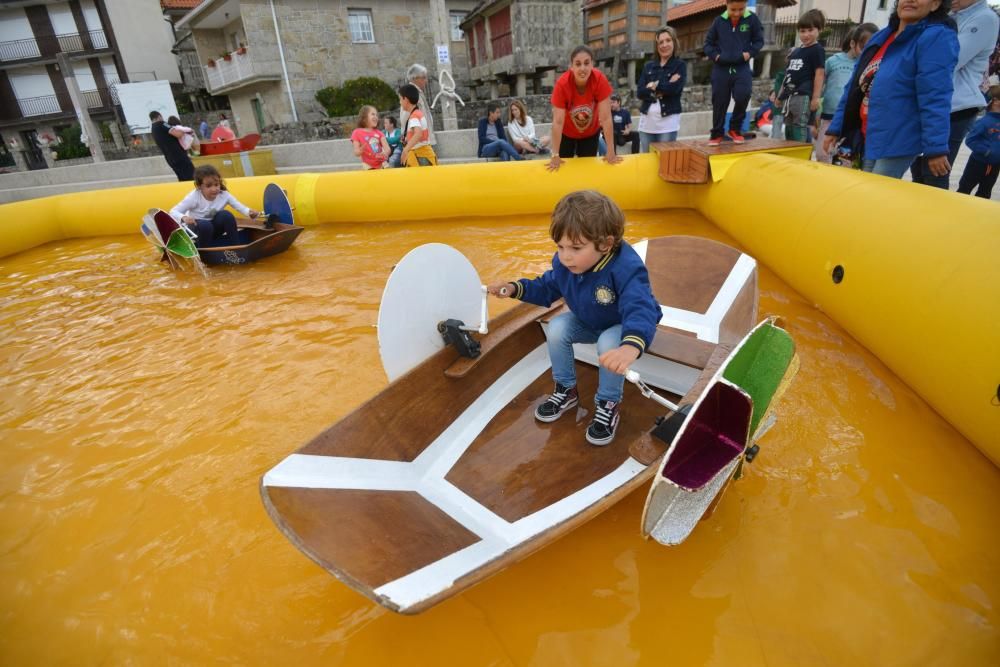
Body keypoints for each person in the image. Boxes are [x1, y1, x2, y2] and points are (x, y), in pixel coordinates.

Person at [487, 190, 660, 446]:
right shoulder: (566, 263)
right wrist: (514, 288)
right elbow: (547, 287)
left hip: (620, 325)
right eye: (560, 246)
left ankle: (608, 402)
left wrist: (630, 346)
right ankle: (566, 390)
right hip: (589, 320)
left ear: (606, 244)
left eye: (576, 248)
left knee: (607, 344)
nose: (565, 256)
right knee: (557, 327)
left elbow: (640, 306)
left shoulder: (626, 267)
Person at [823, 0, 959, 179]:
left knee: (875, 197)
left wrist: (936, 147)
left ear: (935, 5)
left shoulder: (935, 37)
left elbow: (935, 95)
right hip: (870, 132)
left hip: (899, 138)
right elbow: (853, 88)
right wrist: (836, 128)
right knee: (864, 191)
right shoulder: (882, 37)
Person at [910, 0, 1000, 189]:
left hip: (957, 106)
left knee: (935, 170)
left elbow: (949, 58)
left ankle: (935, 216)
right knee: (918, 166)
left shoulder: (985, 18)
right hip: (936, 102)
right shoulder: (953, 15)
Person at [548, 45, 621, 171]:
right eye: (578, 64)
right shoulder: (562, 84)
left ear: (592, 64)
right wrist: (555, 154)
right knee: (563, 169)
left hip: (590, 133)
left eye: (586, 63)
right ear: (571, 67)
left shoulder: (599, 80)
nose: (583, 68)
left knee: (587, 169)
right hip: (566, 133)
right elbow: (558, 122)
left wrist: (610, 150)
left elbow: (606, 118)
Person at [814, 24, 879, 162]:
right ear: (852, 43)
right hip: (829, 114)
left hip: (850, 119)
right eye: (863, 47)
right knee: (821, 153)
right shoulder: (833, 61)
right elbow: (820, 84)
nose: (866, 52)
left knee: (844, 157)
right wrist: (815, 111)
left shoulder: (870, 66)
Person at [704, 0, 764, 146]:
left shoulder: (752, 19)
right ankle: (717, 133)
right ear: (726, 5)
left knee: (743, 94)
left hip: (741, 67)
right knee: (719, 101)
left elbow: (759, 41)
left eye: (741, 9)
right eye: (733, 9)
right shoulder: (718, 21)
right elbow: (707, 44)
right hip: (721, 68)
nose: (737, 13)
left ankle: (735, 129)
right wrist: (716, 56)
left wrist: (748, 54)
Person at [169, 164, 259, 248]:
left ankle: (236, 247)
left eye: (216, 185)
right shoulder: (194, 197)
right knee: (206, 225)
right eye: (209, 186)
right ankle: (204, 252)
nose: (214, 189)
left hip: (212, 228)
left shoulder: (224, 195)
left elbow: (241, 208)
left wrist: (250, 213)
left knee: (226, 215)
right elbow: (173, 211)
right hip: (196, 231)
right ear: (199, 186)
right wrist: (184, 217)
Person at [777, 11, 826, 144]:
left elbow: (819, 74)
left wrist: (816, 98)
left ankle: (802, 158)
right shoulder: (796, 51)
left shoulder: (817, 50)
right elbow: (788, 75)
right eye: (803, 31)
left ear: (819, 29)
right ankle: (790, 153)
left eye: (810, 30)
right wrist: (780, 95)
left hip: (803, 95)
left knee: (800, 127)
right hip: (789, 96)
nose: (806, 34)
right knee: (788, 126)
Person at [636, 25, 686, 152]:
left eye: (668, 40)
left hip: (668, 125)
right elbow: (640, 92)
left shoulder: (679, 65)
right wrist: (664, 85)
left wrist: (653, 85)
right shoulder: (648, 66)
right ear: (656, 46)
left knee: (665, 164)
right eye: (660, 42)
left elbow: (674, 89)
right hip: (647, 124)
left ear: (674, 42)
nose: (664, 45)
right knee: (647, 162)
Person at [957, 84, 1000, 197]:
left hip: (995, 165)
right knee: (965, 188)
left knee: (985, 192)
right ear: (996, 101)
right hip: (978, 163)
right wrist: (986, 151)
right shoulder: (984, 122)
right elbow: (970, 140)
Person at [398, 83, 437, 167]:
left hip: (420, 157)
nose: (400, 102)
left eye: (400, 99)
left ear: (406, 100)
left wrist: (406, 150)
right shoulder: (418, 113)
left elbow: (418, 134)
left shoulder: (414, 116)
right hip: (424, 155)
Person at [149, 111, 194, 182]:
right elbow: (178, 134)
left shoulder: (153, 129)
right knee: (191, 175)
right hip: (178, 155)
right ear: (159, 116)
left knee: (182, 178)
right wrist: (184, 130)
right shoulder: (162, 124)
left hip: (170, 158)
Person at [400, 64, 435, 149]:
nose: (426, 81)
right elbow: (405, 117)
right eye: (423, 77)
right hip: (418, 144)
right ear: (414, 78)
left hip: (423, 141)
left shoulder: (417, 92)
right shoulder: (410, 92)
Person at [350, 105, 390, 170]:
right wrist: (360, 151)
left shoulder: (379, 133)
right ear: (364, 118)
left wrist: (385, 153)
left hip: (381, 164)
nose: (376, 117)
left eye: (376, 115)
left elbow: (387, 148)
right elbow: (356, 152)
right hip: (368, 165)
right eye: (373, 114)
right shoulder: (357, 132)